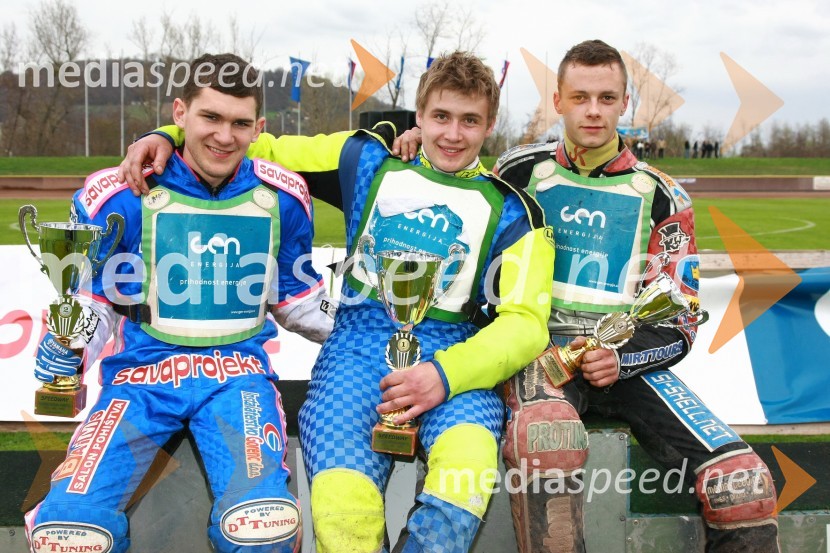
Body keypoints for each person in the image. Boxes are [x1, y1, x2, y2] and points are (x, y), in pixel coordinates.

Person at [117, 51, 555, 553]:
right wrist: (163, 136)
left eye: (469, 121)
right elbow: (249, 142)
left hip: (457, 359)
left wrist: (444, 375)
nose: (453, 134)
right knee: (342, 507)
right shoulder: (365, 157)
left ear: (490, 124)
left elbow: (525, 324)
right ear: (419, 114)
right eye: (441, 117)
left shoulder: (517, 213)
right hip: (356, 345)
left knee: (466, 475)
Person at [25, 53, 336, 553]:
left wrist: (369, 335)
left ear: (258, 128)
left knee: (262, 527)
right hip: (140, 381)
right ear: (179, 113)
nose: (223, 136)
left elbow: (295, 296)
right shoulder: (121, 194)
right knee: (69, 531)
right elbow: (95, 296)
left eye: (239, 123)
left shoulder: (284, 197)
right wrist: (69, 347)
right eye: (210, 117)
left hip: (237, 378)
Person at [492, 39, 781, 553]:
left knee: (744, 486)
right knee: (547, 440)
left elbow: (681, 320)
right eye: (580, 97)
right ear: (557, 100)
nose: (593, 111)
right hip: (537, 354)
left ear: (625, 102)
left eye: (606, 98)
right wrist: (408, 139)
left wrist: (620, 356)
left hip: (627, 361)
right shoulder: (515, 173)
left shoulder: (665, 194)